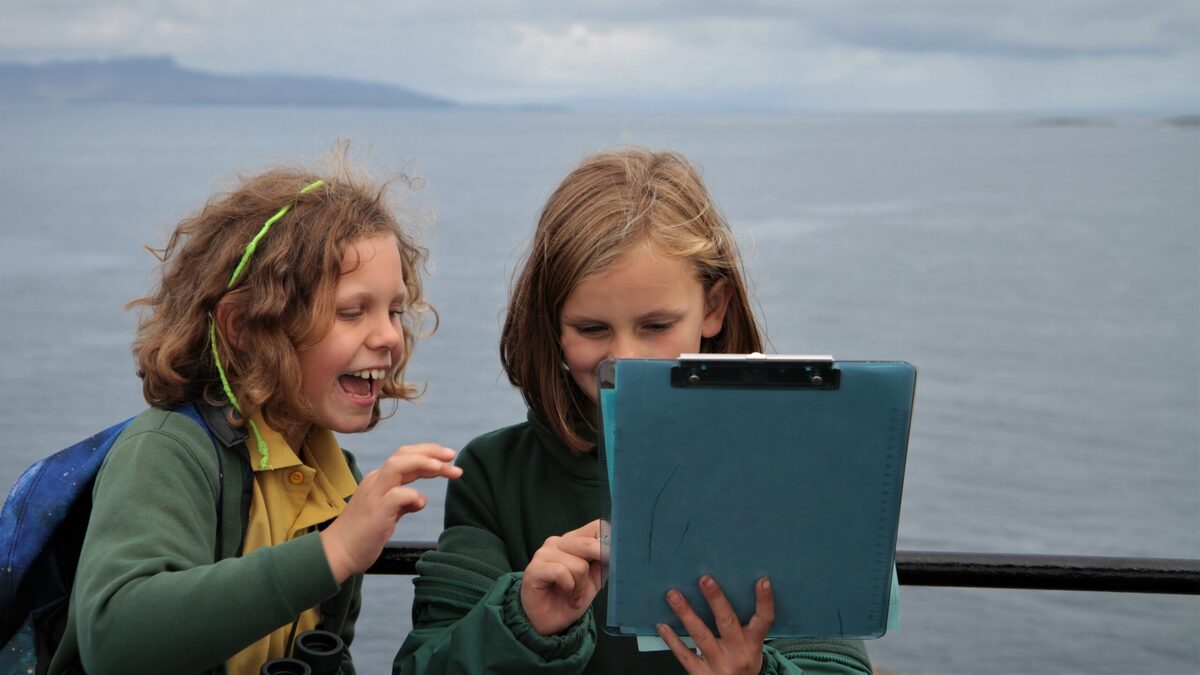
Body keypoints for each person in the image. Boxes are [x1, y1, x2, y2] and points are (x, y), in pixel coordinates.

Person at [394, 148, 873, 674]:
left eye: (656, 325)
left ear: (713, 308)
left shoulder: (791, 467)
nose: (624, 358)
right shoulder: (493, 475)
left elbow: (839, 665)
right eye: (592, 329)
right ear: (551, 325)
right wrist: (521, 623)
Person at [50, 157, 462, 675]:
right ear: (244, 326)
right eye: (352, 312)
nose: (389, 336)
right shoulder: (166, 452)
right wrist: (331, 553)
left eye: (395, 310)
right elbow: (115, 641)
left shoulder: (338, 485)